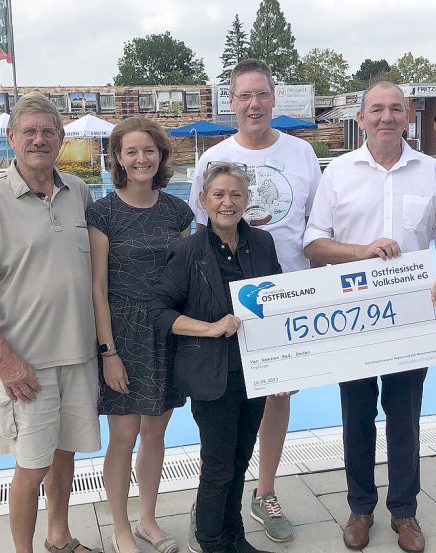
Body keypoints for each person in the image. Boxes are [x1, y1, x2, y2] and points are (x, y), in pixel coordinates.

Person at [303, 82, 436, 553]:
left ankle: (405, 512)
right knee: (357, 416)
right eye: (378, 109)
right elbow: (314, 243)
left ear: (408, 115)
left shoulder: (430, 170)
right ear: (362, 117)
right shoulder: (338, 173)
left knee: (405, 416)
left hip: (410, 316)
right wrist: (361, 251)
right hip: (352, 315)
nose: (386, 117)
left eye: (396, 109)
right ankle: (360, 506)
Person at [0, 92, 101, 553]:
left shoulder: (78, 191)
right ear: (12, 138)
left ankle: (59, 537)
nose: (39, 140)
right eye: (30, 132)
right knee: (31, 466)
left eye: (48, 132)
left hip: (77, 355)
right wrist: (4, 360)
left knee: (65, 456)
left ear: (60, 139)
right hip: (26, 364)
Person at [187, 59, 321, 547]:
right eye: (244, 96)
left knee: (277, 398)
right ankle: (216, 511)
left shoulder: (302, 153)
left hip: (288, 295)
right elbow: (198, 234)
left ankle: (264, 492)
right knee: (229, 408)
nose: (254, 104)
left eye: (261, 94)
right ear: (232, 102)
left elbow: (319, 226)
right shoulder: (214, 157)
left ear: (273, 98)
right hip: (229, 304)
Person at [152, 163, 283, 553]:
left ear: (246, 200)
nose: (227, 202)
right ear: (203, 201)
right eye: (219, 195)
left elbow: (278, 303)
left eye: (236, 195)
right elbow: (160, 313)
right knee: (218, 467)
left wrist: (286, 365)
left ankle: (235, 537)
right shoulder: (187, 250)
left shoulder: (262, 244)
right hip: (213, 375)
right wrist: (209, 328)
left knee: (241, 460)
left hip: (254, 371)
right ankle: (211, 542)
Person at [87, 117, 193, 553]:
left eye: (148, 150)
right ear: (118, 159)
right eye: (131, 151)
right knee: (124, 436)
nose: (140, 158)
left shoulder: (177, 211)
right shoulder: (102, 212)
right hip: (124, 335)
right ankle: (120, 527)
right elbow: (96, 286)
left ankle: (148, 518)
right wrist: (108, 351)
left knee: (155, 434)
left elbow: (187, 279)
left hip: (166, 330)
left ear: (161, 155)